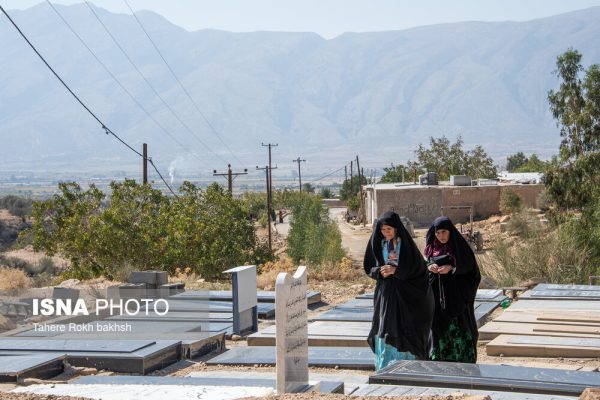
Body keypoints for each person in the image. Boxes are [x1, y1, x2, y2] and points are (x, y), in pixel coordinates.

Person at [363, 211, 434, 370]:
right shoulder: (379, 244)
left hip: (404, 296)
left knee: (403, 328)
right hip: (385, 294)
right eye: (382, 230)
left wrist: (397, 271)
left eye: (389, 229)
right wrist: (379, 271)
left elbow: (419, 270)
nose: (385, 233)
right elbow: (369, 266)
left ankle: (407, 367)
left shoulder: (405, 245)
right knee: (385, 328)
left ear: (396, 228)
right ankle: (385, 367)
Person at [424, 216, 481, 363]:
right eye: (438, 233)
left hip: (456, 299)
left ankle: (461, 359)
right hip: (437, 298)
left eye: (444, 232)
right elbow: (421, 268)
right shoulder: (431, 249)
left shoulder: (460, 249)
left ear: (450, 231)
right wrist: (429, 267)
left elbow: (472, 272)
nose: (441, 236)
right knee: (437, 329)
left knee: (458, 328)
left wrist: (453, 268)